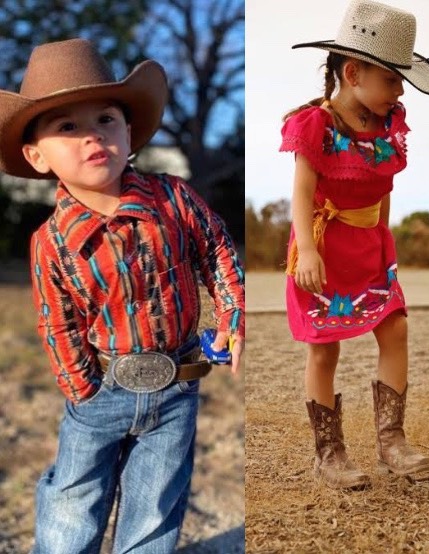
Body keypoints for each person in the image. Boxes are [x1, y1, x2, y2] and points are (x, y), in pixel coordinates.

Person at [0, 38, 245, 552]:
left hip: (177, 381)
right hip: (101, 391)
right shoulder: (52, 243)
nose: (93, 136)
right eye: (68, 127)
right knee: (74, 500)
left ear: (128, 131)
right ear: (35, 155)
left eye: (105, 119)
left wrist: (231, 313)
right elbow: (57, 320)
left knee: (156, 501)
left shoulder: (174, 199)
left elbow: (216, 248)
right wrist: (82, 387)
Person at [279, 0, 429, 489]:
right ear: (353, 72)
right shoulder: (316, 126)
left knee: (394, 330)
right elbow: (302, 194)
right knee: (324, 349)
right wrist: (307, 251)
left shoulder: (389, 127)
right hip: (323, 250)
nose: (399, 91)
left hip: (372, 247)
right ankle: (329, 454)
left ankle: (392, 441)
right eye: (393, 79)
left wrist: (385, 248)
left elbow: (384, 189)